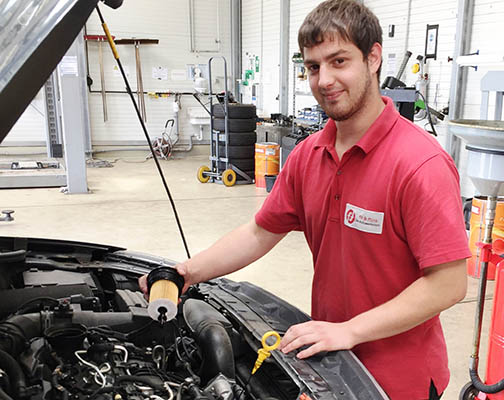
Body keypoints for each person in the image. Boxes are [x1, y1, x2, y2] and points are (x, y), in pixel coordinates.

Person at [140, 1, 470, 398]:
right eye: (313, 67)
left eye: (339, 61)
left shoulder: (420, 164)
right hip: (330, 364)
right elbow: (260, 232)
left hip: (398, 380)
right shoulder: (309, 155)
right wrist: (185, 273)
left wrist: (350, 330)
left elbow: (448, 284)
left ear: (374, 58)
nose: (325, 79)